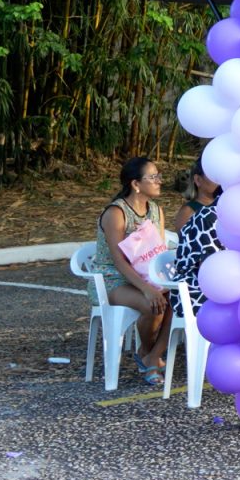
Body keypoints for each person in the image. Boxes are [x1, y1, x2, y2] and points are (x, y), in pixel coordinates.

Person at [86, 156, 172, 386]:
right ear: (136, 184)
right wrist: (147, 289)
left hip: (145, 277)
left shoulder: (156, 210)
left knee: (180, 300)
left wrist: (159, 283)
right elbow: (119, 261)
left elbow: (157, 253)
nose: (159, 181)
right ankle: (149, 355)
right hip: (112, 280)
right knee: (153, 306)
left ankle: (150, 355)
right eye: (153, 177)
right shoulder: (116, 212)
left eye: (158, 176)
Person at [169, 161, 222, 316]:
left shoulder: (223, 210)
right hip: (198, 280)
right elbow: (188, 248)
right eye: (213, 176)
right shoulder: (191, 212)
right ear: (198, 180)